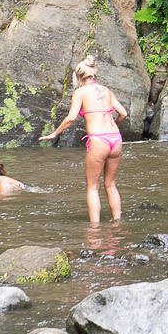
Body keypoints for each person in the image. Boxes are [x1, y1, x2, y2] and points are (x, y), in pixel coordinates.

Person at [40, 54, 128, 224]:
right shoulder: (106, 91)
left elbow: (71, 118)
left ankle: (95, 228)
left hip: (98, 140)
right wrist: (114, 125)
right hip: (116, 139)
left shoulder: (80, 92)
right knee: (110, 184)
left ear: (79, 77)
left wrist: (54, 134)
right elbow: (123, 113)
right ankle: (118, 223)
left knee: (93, 187)